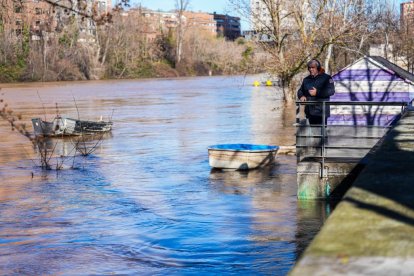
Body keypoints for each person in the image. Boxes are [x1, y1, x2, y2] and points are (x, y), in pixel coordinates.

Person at [297, 59, 335, 125]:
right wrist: (301, 96)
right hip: (309, 112)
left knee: (321, 134)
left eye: (313, 67)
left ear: (318, 68)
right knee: (312, 134)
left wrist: (317, 92)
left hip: (321, 112)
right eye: (309, 68)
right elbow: (300, 90)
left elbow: (331, 91)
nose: (310, 69)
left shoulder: (327, 78)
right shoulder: (306, 79)